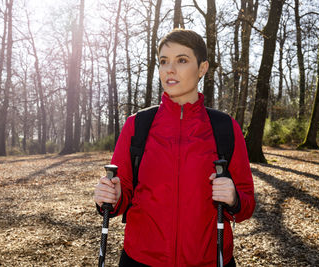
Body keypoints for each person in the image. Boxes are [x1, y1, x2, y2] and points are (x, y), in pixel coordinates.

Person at [94, 28, 255, 267]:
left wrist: (233, 198)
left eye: (182, 60)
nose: (170, 69)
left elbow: (246, 204)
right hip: (141, 260)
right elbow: (122, 194)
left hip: (209, 261)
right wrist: (111, 196)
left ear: (202, 68)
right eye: (163, 61)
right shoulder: (137, 125)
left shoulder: (225, 128)